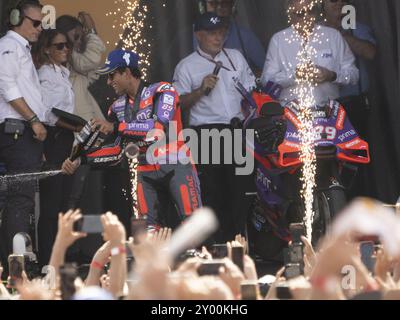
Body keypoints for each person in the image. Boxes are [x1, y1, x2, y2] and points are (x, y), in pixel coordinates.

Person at [62, 49, 202, 232]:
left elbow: (157, 129)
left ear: (127, 72)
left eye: (112, 75)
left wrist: (116, 127)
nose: (108, 81)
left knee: (193, 227)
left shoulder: (163, 91)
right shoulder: (117, 108)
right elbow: (117, 151)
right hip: (145, 172)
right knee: (146, 233)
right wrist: (81, 159)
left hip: (176, 167)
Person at [173, 13, 256, 242]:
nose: (218, 37)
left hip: (237, 129)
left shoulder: (236, 57)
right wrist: (200, 90)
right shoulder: (187, 66)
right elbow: (176, 104)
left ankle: (239, 243)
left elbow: (251, 89)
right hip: (207, 132)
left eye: (221, 32)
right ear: (198, 35)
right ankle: (216, 246)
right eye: (211, 33)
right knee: (213, 192)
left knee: (241, 190)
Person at [0, 0, 46, 268]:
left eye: (42, 23)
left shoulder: (19, 48)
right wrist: (34, 120)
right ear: (16, 18)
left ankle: (14, 264)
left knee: (20, 198)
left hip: (20, 131)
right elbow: (6, 86)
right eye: (36, 23)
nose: (40, 29)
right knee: (20, 198)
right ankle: (16, 270)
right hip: (17, 131)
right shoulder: (8, 46)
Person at [31, 29, 79, 266]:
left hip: (66, 137)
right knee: (52, 202)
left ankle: (62, 256)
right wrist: (75, 126)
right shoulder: (45, 74)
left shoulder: (62, 73)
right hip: (54, 137)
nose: (65, 50)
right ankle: (48, 259)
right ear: (47, 49)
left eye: (67, 45)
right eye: (59, 46)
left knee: (64, 200)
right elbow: (48, 114)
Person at [261, 0, 359, 106]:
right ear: (289, 14)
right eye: (300, 14)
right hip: (293, 114)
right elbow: (267, 81)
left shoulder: (333, 36)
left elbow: (354, 75)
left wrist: (332, 76)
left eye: (310, 11)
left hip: (330, 111)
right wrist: (294, 75)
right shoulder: (278, 40)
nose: (307, 17)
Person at [322, 0, 376, 139]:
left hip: (355, 103)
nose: (339, 2)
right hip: (325, 105)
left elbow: (370, 53)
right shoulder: (315, 32)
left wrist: (340, 33)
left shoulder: (355, 28)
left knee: (358, 152)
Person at [194, 0, 265, 74]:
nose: (219, 8)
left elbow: (268, 74)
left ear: (232, 7)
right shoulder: (195, 35)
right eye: (213, 3)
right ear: (202, 7)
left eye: (224, 3)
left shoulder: (246, 36)